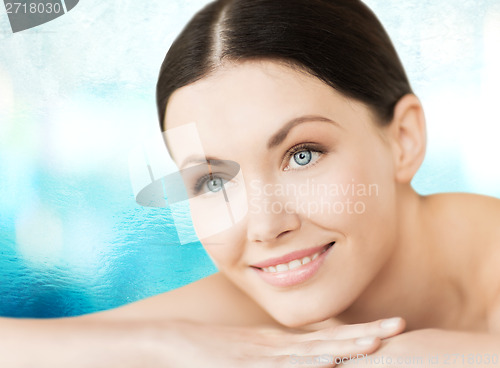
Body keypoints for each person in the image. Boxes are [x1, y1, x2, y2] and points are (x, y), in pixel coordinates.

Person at [1, 0, 499, 367]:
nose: (263, 226)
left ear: (404, 139)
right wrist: (166, 344)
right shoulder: (270, 290)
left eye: (302, 155)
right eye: (213, 181)